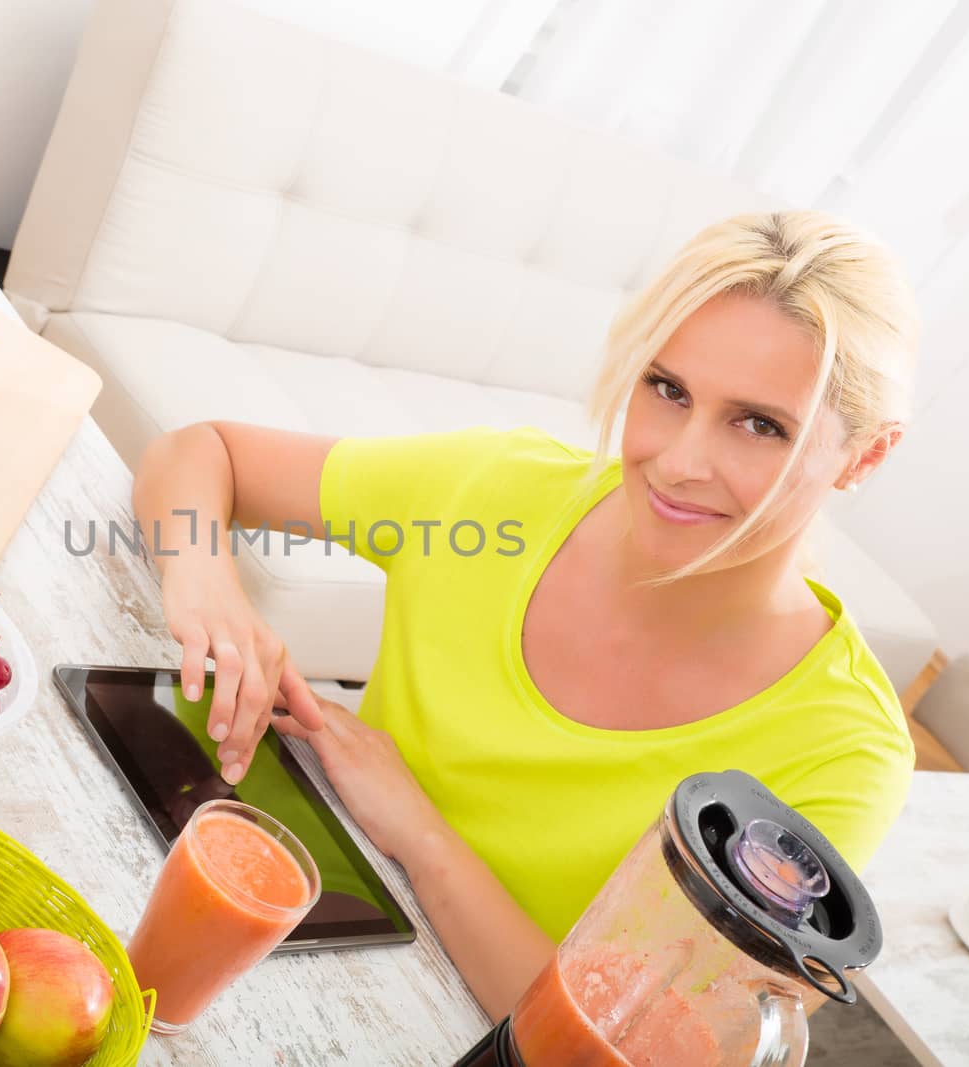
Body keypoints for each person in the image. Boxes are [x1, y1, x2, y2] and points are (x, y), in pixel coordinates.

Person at [130, 210, 919, 1017]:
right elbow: (201, 454)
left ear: (865, 455)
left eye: (760, 425)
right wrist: (209, 587)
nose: (680, 463)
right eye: (666, 388)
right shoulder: (497, 494)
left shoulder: (841, 754)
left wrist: (420, 832)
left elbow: (606, 1046)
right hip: (276, 938)